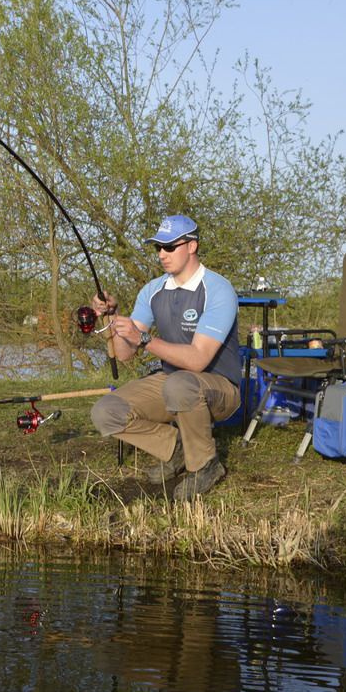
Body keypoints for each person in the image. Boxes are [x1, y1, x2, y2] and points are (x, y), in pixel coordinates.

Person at [90, 214, 240, 499]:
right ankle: (177, 449)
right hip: (173, 383)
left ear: (192, 246)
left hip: (220, 389)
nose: (162, 254)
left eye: (170, 247)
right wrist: (111, 317)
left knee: (180, 383)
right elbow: (124, 353)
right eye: (158, 247)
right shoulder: (152, 290)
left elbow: (198, 361)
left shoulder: (218, 289)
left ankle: (206, 465)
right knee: (105, 412)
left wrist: (145, 339)